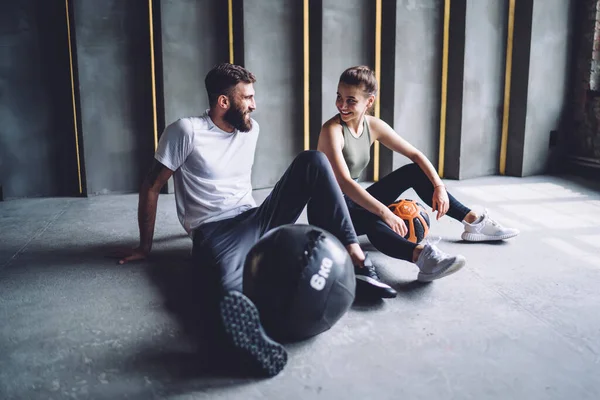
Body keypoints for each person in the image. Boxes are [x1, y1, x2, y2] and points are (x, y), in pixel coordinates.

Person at [114, 63, 394, 377]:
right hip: (215, 230)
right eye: (247, 97)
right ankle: (250, 341)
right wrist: (144, 247)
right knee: (226, 290)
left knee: (313, 160)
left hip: (256, 216)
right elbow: (151, 185)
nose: (254, 105)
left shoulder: (251, 129)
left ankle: (358, 258)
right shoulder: (186, 131)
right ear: (223, 102)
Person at [317, 66, 519, 282]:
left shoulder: (372, 126)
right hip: (328, 209)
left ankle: (472, 221)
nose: (341, 105)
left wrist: (439, 187)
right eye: (339, 97)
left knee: (413, 172)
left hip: (352, 200)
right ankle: (423, 258)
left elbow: (415, 154)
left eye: (351, 100)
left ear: (369, 102)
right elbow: (345, 183)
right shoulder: (332, 130)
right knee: (374, 216)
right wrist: (385, 212)